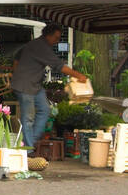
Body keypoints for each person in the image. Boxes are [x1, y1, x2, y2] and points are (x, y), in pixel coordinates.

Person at [10, 22, 88, 152]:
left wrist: (16, 72)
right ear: (48, 36)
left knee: (45, 109)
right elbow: (59, 66)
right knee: (28, 118)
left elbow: (17, 58)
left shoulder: (34, 44)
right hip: (25, 85)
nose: (57, 41)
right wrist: (79, 75)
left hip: (35, 84)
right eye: (56, 38)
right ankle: (28, 149)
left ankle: (31, 141)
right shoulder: (41, 47)